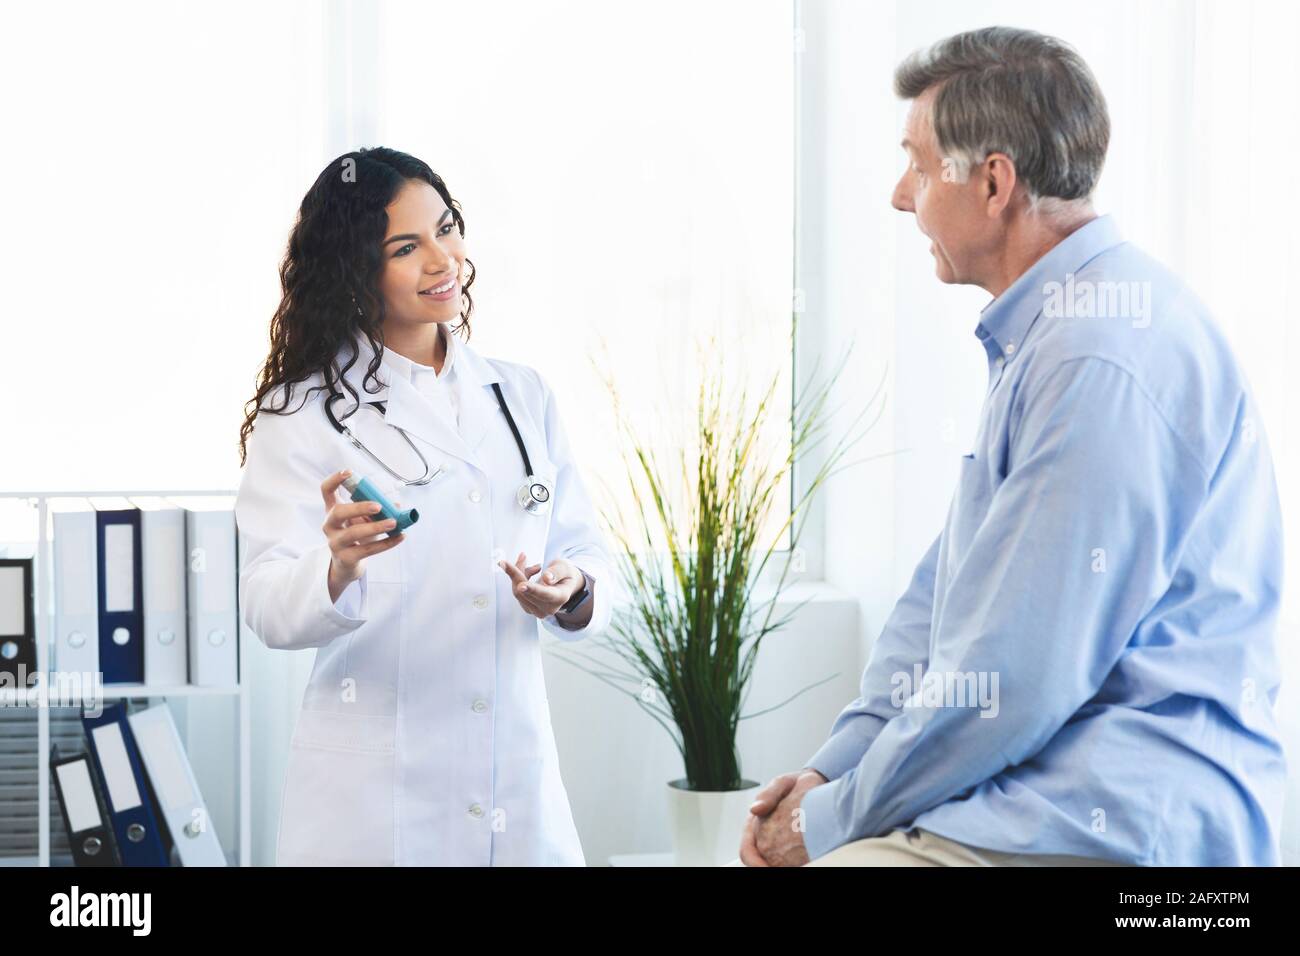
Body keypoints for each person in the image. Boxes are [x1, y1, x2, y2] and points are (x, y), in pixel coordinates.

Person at [741, 26, 1285, 867]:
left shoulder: (1098, 353)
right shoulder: (1054, 333)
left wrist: (832, 819)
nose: (898, 195)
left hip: (1124, 822)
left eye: (918, 167)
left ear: (993, 180)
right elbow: (941, 606)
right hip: (1039, 793)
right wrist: (830, 772)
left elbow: (1013, 678)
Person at [235, 147, 612, 866]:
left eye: (447, 229)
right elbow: (263, 601)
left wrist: (571, 589)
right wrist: (337, 566)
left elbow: (585, 548)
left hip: (515, 782)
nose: (443, 260)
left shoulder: (520, 397)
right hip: (374, 805)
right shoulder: (304, 412)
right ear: (355, 270)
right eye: (407, 247)